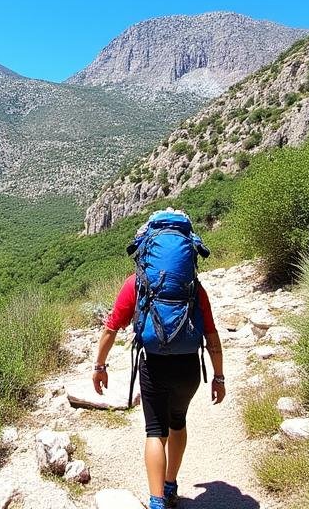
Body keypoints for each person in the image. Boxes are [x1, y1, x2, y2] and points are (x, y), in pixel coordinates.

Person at [91, 215, 226, 509]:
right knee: (177, 423)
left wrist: (99, 367)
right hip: (189, 368)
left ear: (145, 250)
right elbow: (212, 336)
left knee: (155, 431)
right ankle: (170, 485)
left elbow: (111, 328)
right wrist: (219, 377)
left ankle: (156, 502)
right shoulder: (193, 288)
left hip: (154, 366)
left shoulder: (135, 285)